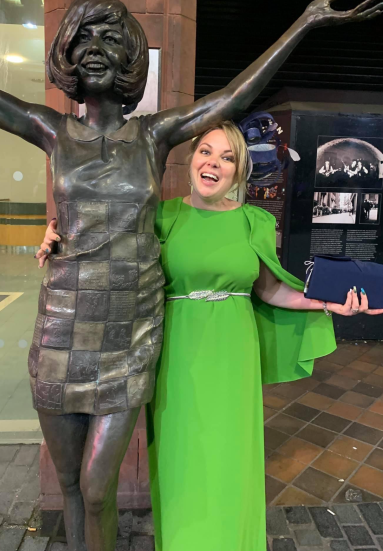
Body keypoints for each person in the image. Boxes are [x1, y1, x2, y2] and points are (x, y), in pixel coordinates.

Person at [0, 0, 381, 551]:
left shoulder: (151, 137)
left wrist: (303, 23)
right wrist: (55, 230)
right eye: (83, 37)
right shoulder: (55, 133)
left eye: (109, 38)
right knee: (74, 485)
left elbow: (232, 95)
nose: (94, 48)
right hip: (63, 325)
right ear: (66, 53)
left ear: (130, 57)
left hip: (132, 338)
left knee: (97, 489)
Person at [39, 122, 383, 551]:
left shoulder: (254, 221)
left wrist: (331, 304)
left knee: (229, 459)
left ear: (239, 172)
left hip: (234, 354)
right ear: (191, 160)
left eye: (227, 157)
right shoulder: (160, 215)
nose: (213, 163)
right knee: (182, 458)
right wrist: (56, 234)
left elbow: (270, 290)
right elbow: (104, 249)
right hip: (176, 354)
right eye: (206, 151)